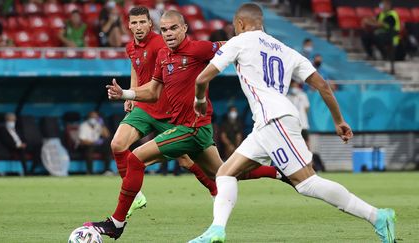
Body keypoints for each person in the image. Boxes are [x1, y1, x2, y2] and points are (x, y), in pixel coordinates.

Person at [189, 3, 396, 243]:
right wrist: (338, 120)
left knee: (307, 183)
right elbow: (322, 86)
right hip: (268, 122)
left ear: (240, 24)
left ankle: (378, 216)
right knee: (225, 173)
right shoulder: (287, 50)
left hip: (274, 120)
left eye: (236, 27)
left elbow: (202, 78)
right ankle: (217, 229)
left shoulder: (240, 41)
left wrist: (200, 101)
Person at [84, 10, 281, 240]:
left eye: (174, 28)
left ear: (185, 28)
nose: (168, 33)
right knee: (225, 172)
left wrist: (258, 39)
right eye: (165, 29)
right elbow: (152, 91)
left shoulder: (199, 49)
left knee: (135, 159)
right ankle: (280, 172)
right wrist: (126, 93)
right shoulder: (163, 56)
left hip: (192, 127)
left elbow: (234, 45)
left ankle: (116, 223)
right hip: (190, 127)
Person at [109, 6, 219, 217]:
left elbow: (185, 61)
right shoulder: (130, 47)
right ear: (128, 25)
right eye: (134, 22)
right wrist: (130, 93)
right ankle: (135, 195)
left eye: (143, 22)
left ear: (151, 24)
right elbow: (135, 66)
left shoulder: (162, 42)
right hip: (143, 106)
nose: (138, 26)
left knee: (186, 160)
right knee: (117, 144)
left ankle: (215, 189)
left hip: (167, 110)